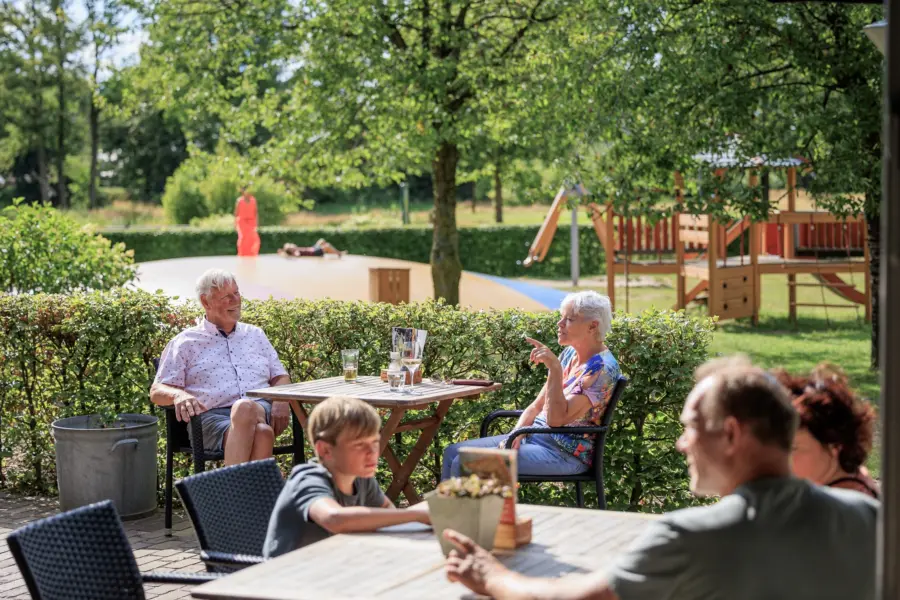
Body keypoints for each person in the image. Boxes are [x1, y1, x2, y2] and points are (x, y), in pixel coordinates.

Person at [442, 355, 879, 600]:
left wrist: (491, 575)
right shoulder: (870, 518)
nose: (681, 444)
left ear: (730, 434)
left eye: (690, 427)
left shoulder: (692, 537)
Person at [441, 291, 620, 480]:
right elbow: (536, 406)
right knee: (453, 452)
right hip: (533, 436)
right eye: (561, 317)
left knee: (464, 462)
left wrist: (554, 369)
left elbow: (555, 420)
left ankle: (476, 510)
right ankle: (458, 510)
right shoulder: (569, 354)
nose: (559, 324)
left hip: (564, 453)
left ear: (592, 326)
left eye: (569, 319)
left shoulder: (601, 369)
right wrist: (515, 435)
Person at [150, 269, 291, 465]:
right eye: (227, 296)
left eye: (237, 293)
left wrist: (281, 401)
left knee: (245, 407)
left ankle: (226, 492)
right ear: (206, 302)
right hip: (211, 420)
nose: (236, 300)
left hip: (260, 408)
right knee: (263, 434)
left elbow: (280, 376)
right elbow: (156, 391)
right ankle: (250, 496)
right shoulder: (185, 342)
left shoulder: (256, 335)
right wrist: (178, 395)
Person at [263, 396, 430, 558]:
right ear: (325, 450)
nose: (372, 453)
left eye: (374, 442)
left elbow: (388, 517)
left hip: (336, 568)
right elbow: (334, 519)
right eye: (359, 445)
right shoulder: (308, 479)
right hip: (286, 579)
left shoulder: (360, 478)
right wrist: (415, 514)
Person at [774, 364, 880, 499]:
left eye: (793, 448)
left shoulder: (840, 507)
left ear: (834, 446)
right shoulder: (848, 479)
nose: (780, 459)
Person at [235, 185, 260, 256]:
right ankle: (242, 254)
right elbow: (236, 213)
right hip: (242, 222)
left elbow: (256, 212)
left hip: (251, 222)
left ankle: (252, 254)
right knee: (243, 238)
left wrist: (257, 223)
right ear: (243, 192)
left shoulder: (253, 200)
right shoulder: (239, 200)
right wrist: (235, 224)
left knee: (255, 239)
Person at [277, 239, 346, 258]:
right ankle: (339, 253)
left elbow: (286, 248)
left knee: (321, 240)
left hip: (312, 248)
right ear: (291, 250)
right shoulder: (295, 251)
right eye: (291, 245)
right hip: (314, 252)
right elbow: (296, 255)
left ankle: (337, 252)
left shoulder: (295, 248)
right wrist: (293, 253)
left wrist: (282, 250)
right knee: (327, 246)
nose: (292, 244)